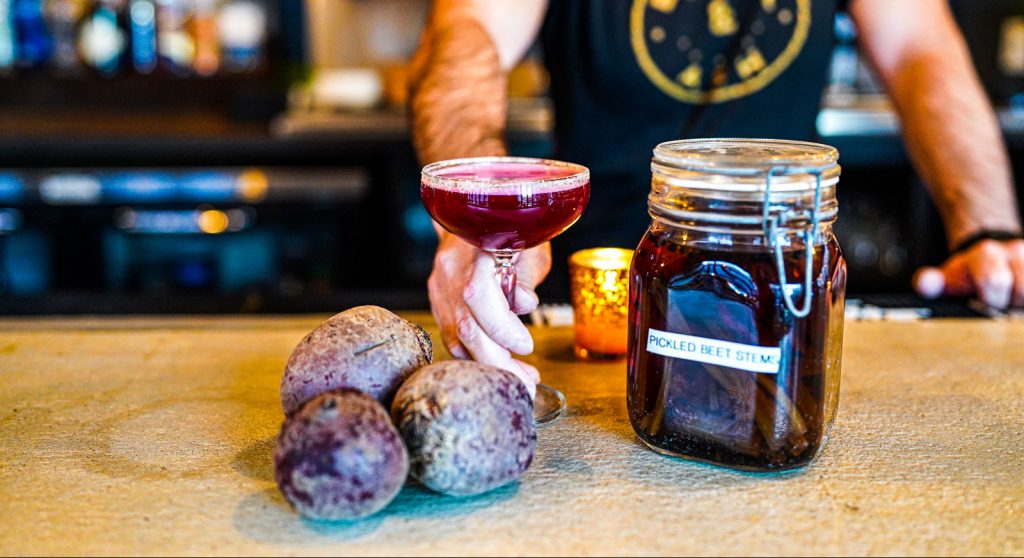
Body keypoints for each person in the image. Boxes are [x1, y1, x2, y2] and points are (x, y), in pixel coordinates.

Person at [409, 0, 1024, 390]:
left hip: (780, 284)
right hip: (593, 312)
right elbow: (466, 34)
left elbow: (921, 48)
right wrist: (475, 219)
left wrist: (987, 232)